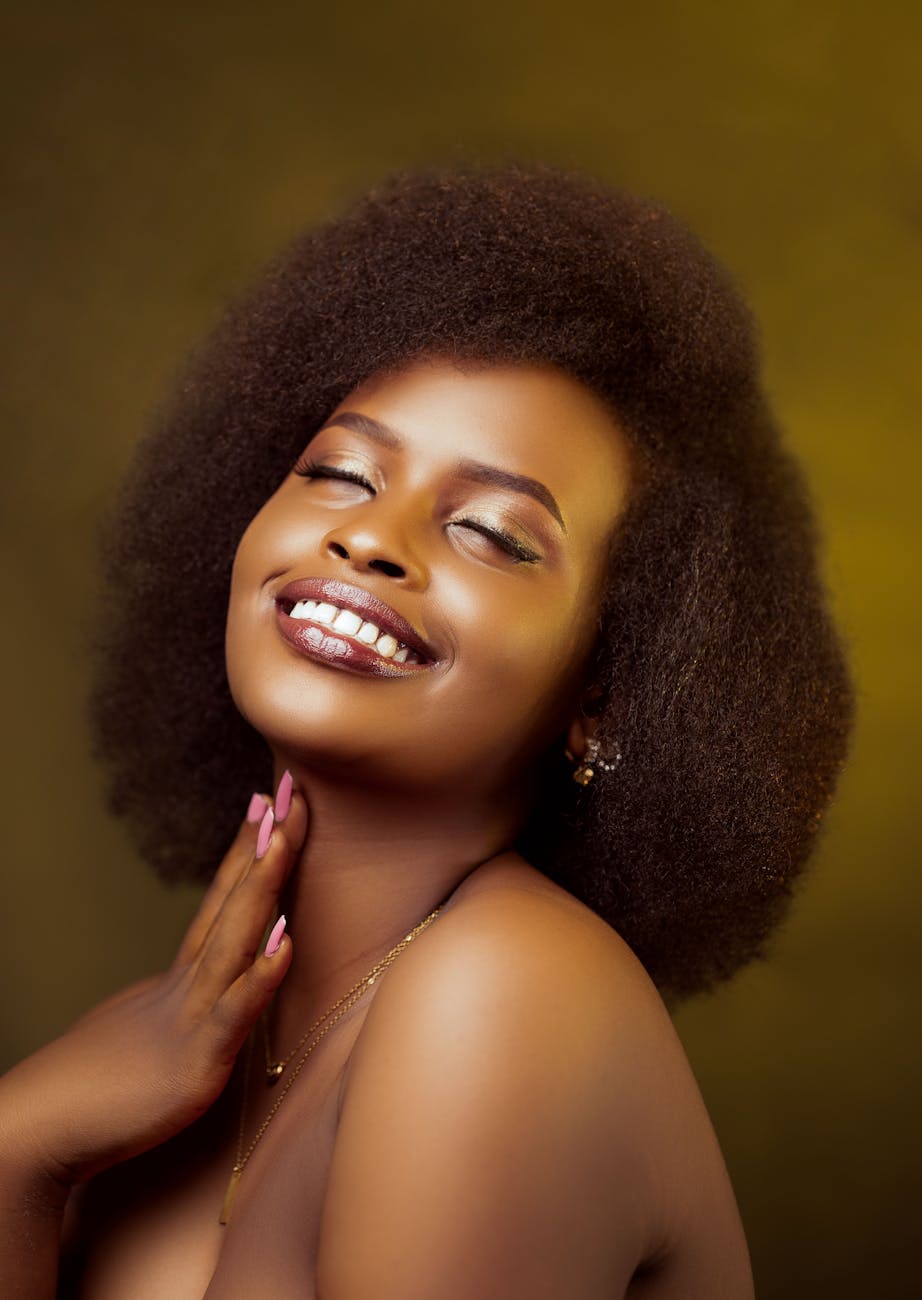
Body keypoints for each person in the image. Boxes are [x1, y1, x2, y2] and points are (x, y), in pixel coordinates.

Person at [0, 165, 852, 1299]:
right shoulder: (149, 1053)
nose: (371, 538)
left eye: (492, 534)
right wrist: (22, 1143)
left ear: (608, 684)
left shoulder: (508, 998)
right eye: (341, 471)